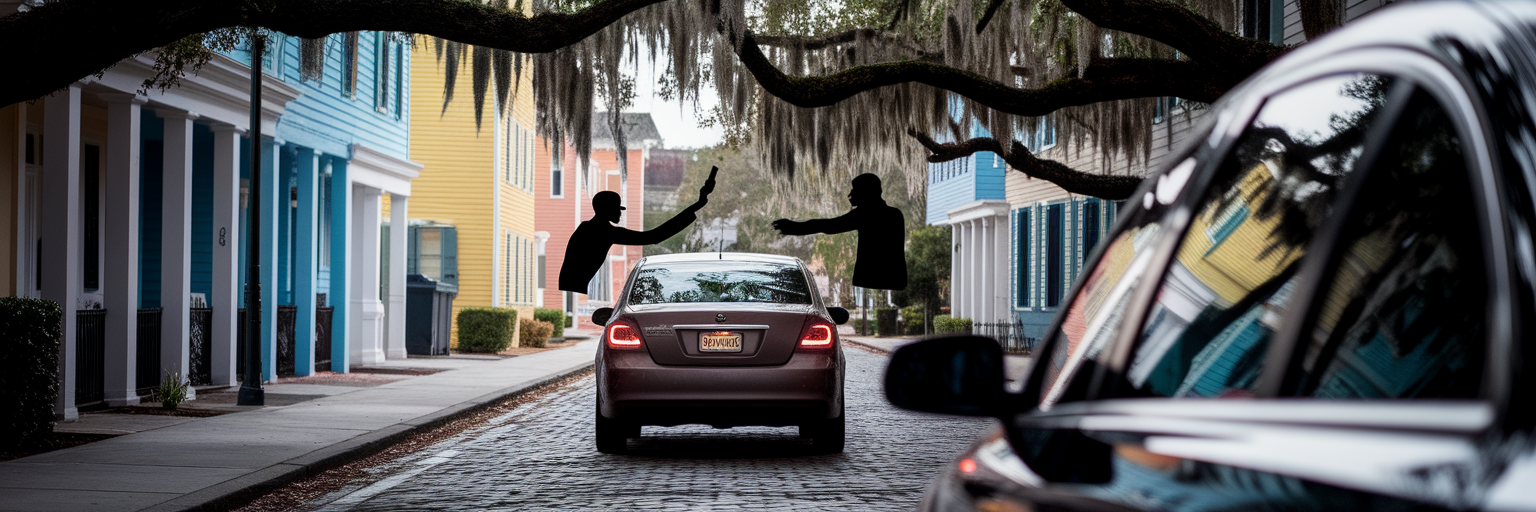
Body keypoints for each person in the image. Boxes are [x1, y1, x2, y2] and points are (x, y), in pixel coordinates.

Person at [559, 167, 717, 293]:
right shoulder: (604, 231)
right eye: (617, 209)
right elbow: (654, 236)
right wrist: (698, 204)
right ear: (607, 210)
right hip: (573, 287)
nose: (620, 213)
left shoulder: (588, 228)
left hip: (572, 286)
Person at [772, 173, 907, 290]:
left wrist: (794, 227)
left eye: (855, 190)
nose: (850, 195)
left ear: (866, 192)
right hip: (894, 279)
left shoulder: (866, 214)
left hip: (872, 278)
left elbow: (828, 226)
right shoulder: (895, 214)